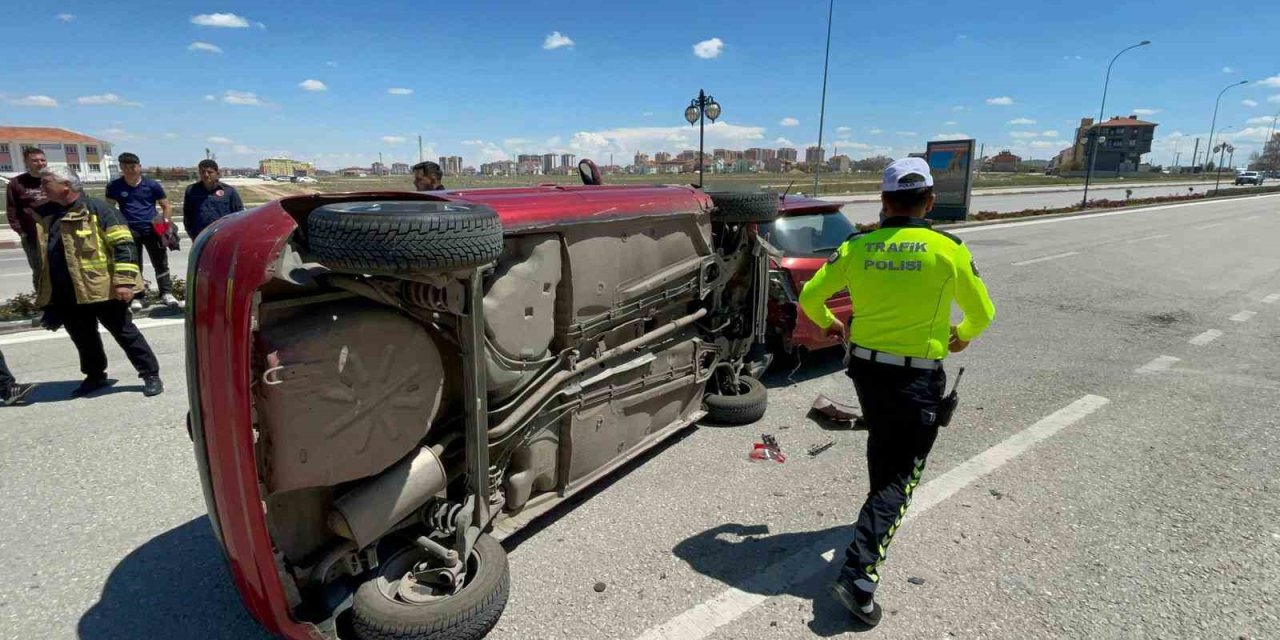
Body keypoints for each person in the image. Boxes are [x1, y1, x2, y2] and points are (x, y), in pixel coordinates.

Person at [798, 157, 995, 627]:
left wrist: (833, 325)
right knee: (900, 478)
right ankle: (860, 578)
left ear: (884, 203)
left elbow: (809, 297)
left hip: (866, 369)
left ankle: (875, 515)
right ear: (929, 201)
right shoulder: (946, 248)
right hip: (916, 377)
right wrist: (962, 333)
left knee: (884, 447)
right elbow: (983, 313)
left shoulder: (857, 247)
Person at [36, 165, 164, 398]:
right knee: (84, 338)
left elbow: (124, 245)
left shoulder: (98, 210)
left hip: (102, 289)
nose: (42, 187)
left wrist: (124, 282)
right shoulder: (48, 214)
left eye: (46, 183)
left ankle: (150, 374)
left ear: (65, 185)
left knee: (124, 332)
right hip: (69, 292)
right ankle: (95, 376)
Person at [105, 152, 178, 310]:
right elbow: (109, 209)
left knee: (160, 263)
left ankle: (166, 293)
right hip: (128, 230)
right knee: (134, 265)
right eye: (125, 167)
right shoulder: (114, 186)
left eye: (133, 167)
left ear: (139, 167)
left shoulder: (152, 185)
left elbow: (166, 206)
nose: (130, 170)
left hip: (152, 229)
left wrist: (166, 226)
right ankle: (138, 296)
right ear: (121, 168)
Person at [4, 147, 50, 291]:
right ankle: (43, 302)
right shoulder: (16, 183)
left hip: (56, 232)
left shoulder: (53, 179)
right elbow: (12, 210)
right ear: (26, 162)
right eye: (35, 160)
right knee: (39, 270)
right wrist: (21, 232)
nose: (40, 163)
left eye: (42, 160)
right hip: (32, 235)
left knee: (61, 268)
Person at [183, 159, 245, 239]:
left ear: (217, 173)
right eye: (202, 172)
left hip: (224, 236)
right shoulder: (191, 191)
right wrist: (194, 236)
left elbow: (239, 215)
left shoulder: (229, 191)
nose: (206, 175)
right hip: (201, 237)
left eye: (210, 172)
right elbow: (187, 216)